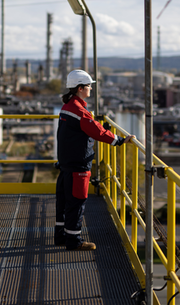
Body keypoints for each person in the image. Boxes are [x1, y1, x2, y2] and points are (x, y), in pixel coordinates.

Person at [55, 69, 135, 251]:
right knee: (76, 201)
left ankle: (60, 236)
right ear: (81, 88)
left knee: (64, 202)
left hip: (67, 164)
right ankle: (74, 241)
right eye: (89, 86)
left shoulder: (67, 106)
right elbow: (96, 131)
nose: (91, 89)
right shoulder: (79, 110)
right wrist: (120, 140)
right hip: (78, 164)